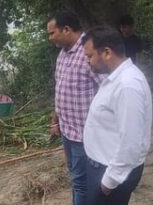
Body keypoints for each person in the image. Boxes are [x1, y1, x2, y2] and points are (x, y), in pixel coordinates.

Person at [82, 25, 152, 205]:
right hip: (104, 167)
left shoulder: (128, 84)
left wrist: (108, 182)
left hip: (111, 174)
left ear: (106, 52)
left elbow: (131, 142)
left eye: (89, 56)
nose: (88, 62)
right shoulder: (117, 78)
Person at [47, 10, 102, 205]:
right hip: (67, 132)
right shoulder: (62, 55)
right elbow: (60, 90)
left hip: (83, 134)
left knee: (81, 182)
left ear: (67, 29)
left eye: (52, 33)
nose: (50, 38)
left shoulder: (89, 52)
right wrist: (55, 122)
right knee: (76, 178)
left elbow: (107, 88)